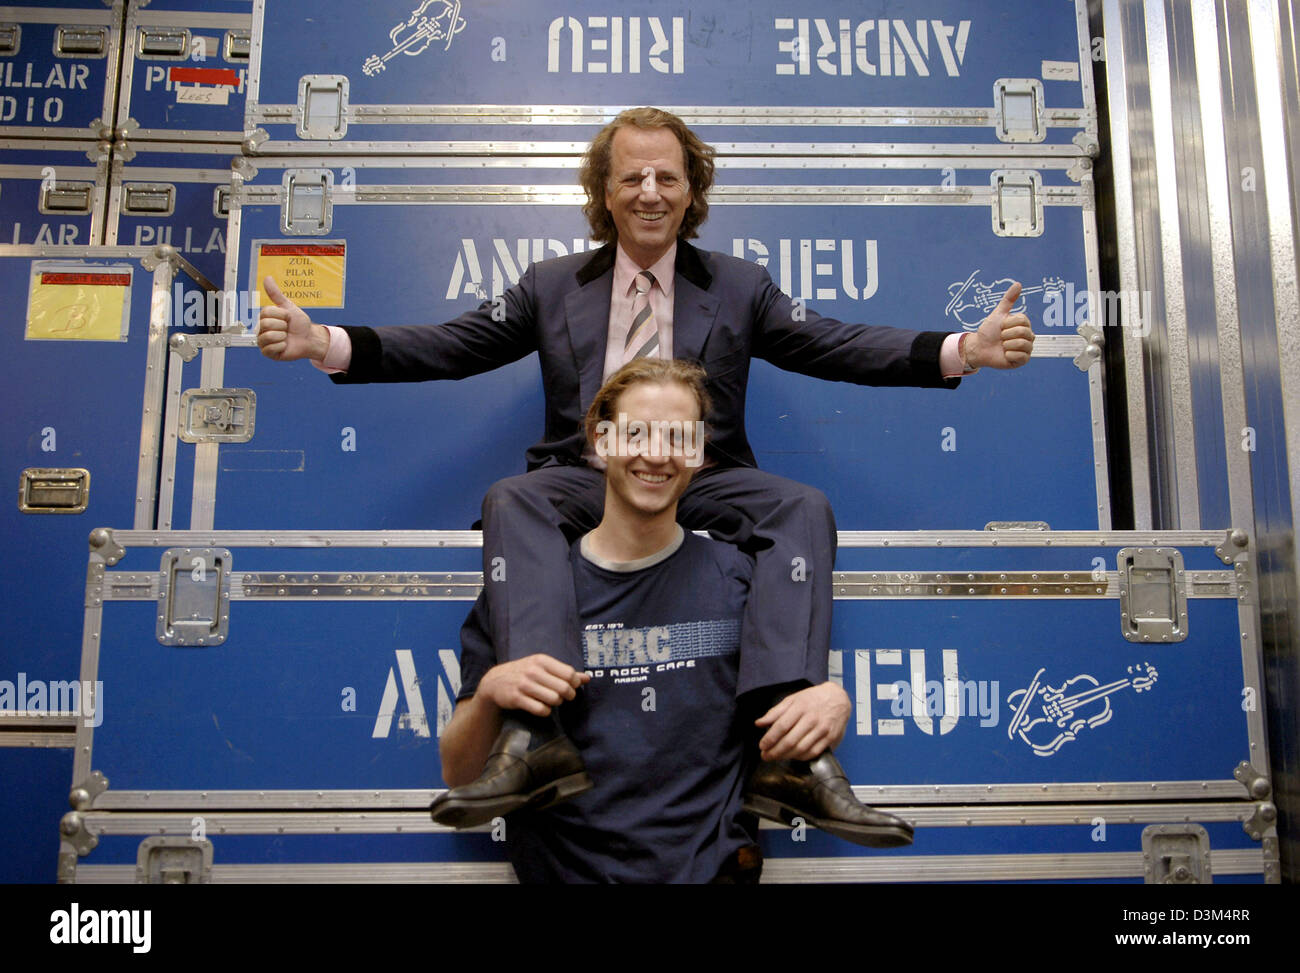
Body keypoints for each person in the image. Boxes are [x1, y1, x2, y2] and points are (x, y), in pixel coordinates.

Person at [257, 106, 1034, 840]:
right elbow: (455, 344)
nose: (650, 193)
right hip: (586, 472)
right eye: (631, 177)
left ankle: (785, 751)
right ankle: (536, 735)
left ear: (692, 190)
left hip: (705, 474)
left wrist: (963, 349)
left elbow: (834, 342)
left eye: (667, 177)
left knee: (801, 505)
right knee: (513, 498)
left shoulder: (738, 285)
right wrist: (324, 340)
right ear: (603, 191)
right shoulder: (553, 284)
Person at [438, 358, 881, 882]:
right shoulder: (522, 592)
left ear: (699, 452)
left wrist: (823, 696)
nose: (657, 454)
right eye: (636, 433)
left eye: (678, 436)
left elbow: (788, 708)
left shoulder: (746, 583)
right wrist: (491, 691)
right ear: (600, 441)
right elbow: (461, 776)